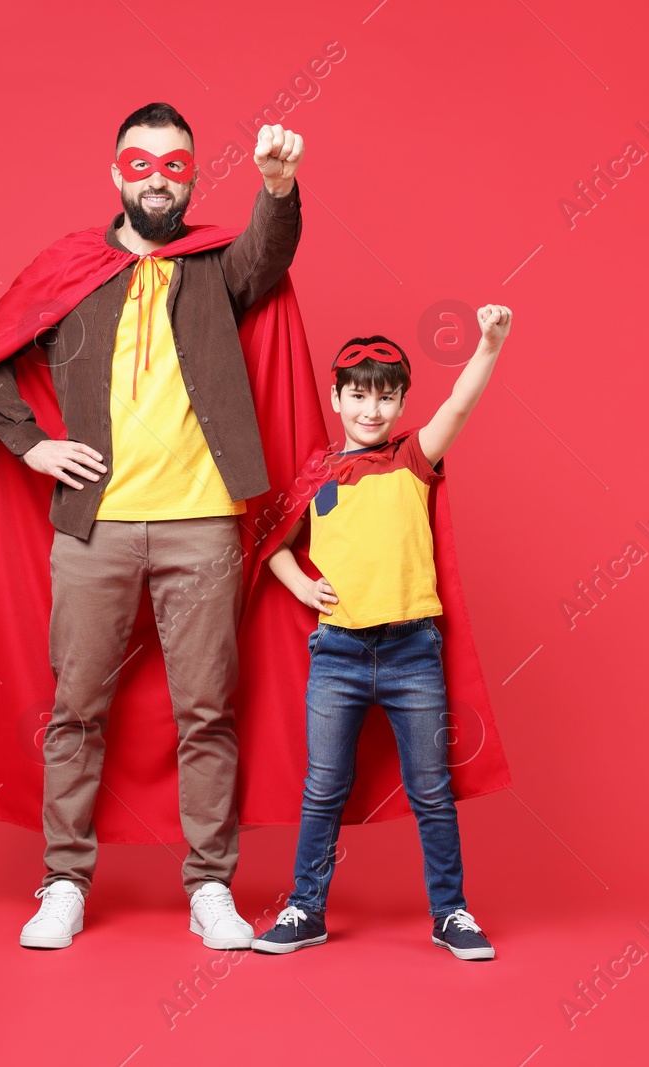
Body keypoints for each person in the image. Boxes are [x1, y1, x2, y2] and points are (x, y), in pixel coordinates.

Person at [0, 103, 304, 950]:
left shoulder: (217, 261)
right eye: (140, 164)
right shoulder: (71, 266)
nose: (156, 177)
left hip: (203, 526)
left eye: (175, 165)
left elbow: (269, 254)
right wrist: (34, 447)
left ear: (191, 175)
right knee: (76, 707)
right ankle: (64, 881)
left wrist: (278, 187)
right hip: (95, 524)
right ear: (116, 174)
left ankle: (211, 885)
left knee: (207, 709)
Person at [251, 306, 512, 961]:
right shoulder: (315, 476)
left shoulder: (412, 459)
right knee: (323, 788)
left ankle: (450, 911)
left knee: (431, 787)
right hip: (337, 654)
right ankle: (306, 907)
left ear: (400, 402)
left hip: (410, 652)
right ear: (337, 397)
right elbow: (272, 547)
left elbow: (458, 405)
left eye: (386, 395)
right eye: (359, 394)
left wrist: (488, 345)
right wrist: (301, 584)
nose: (372, 408)